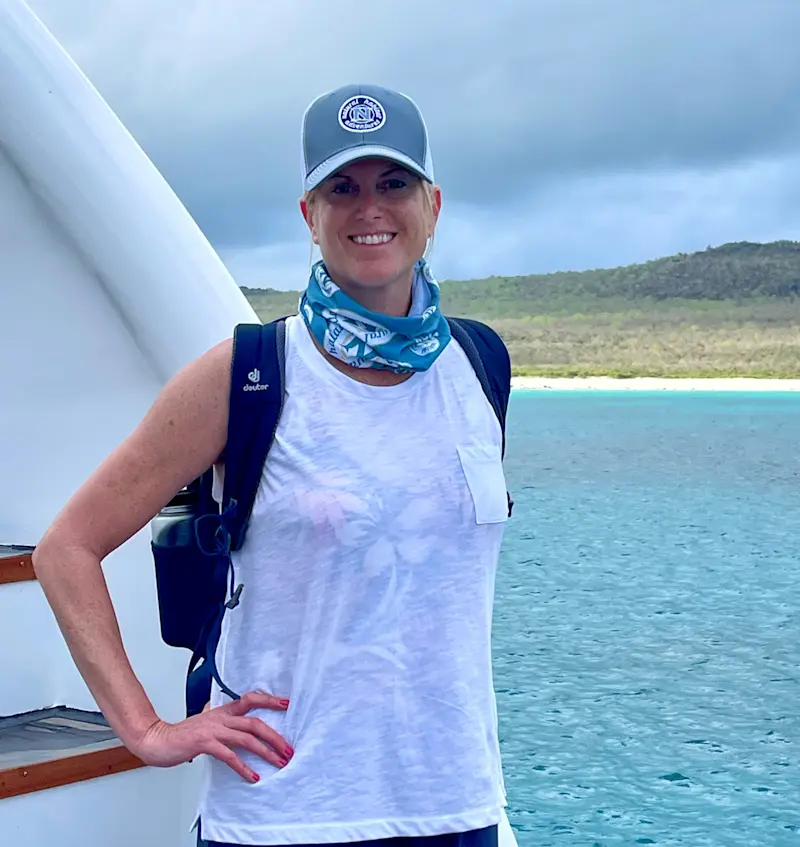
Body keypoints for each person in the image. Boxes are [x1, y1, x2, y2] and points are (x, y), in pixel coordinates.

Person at [32, 83, 511, 847]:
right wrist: (147, 729)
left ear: (433, 204)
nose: (370, 209)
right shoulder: (247, 374)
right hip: (287, 813)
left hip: (457, 806)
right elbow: (68, 549)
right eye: (341, 188)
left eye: (394, 184)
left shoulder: (481, 364)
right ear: (308, 216)